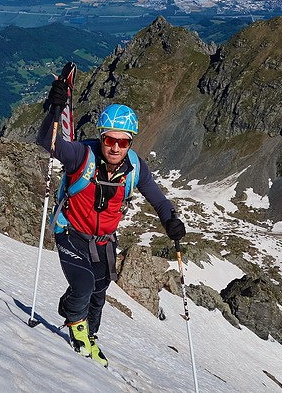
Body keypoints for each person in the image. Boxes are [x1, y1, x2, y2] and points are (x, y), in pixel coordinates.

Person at [38, 79, 187, 367]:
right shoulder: (82, 155)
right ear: (102, 137)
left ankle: (90, 334)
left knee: (99, 289)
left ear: (130, 142)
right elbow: (49, 142)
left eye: (123, 141)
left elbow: (157, 198)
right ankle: (76, 330)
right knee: (83, 284)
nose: (116, 147)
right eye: (110, 140)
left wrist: (171, 221)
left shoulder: (136, 168)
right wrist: (52, 108)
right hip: (70, 231)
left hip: (104, 239)